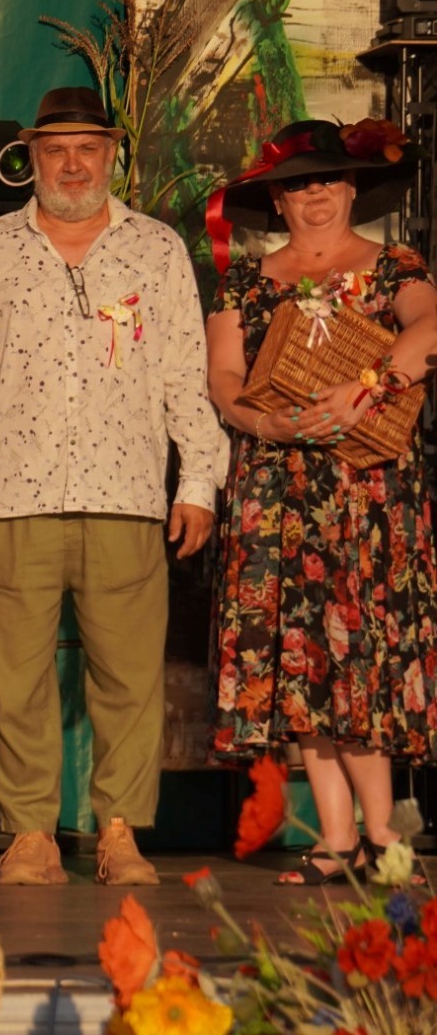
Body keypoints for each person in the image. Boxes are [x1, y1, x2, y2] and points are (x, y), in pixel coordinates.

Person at [0, 86, 228, 886]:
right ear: (32, 157)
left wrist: (198, 481)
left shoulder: (155, 249)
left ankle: (118, 833)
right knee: (13, 676)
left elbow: (184, 375)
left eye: (88, 147)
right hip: (9, 495)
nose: (73, 163)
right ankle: (30, 833)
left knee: (129, 676)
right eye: (57, 149)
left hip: (125, 493)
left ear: (112, 153)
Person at [205, 118, 437, 885]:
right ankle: (338, 839)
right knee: (302, 659)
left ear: (352, 188)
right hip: (277, 487)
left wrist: (371, 385)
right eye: (300, 184)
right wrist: (261, 421)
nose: (316, 195)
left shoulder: (394, 266)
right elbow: (224, 378)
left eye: (329, 180)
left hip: (367, 490)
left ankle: (384, 835)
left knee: (358, 656)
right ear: (277, 199)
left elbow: (430, 327)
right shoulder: (245, 281)